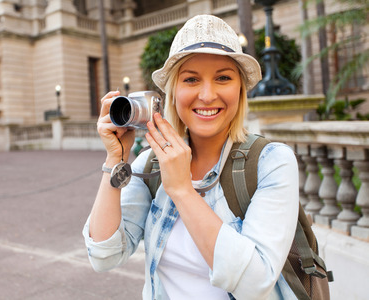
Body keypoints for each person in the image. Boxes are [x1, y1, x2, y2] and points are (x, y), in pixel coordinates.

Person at [83, 15, 299, 299]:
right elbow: (103, 255)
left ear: (240, 90)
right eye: (191, 79)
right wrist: (115, 159)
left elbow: (255, 282)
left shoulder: (271, 162)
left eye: (223, 78)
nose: (207, 95)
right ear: (173, 93)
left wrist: (183, 190)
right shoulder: (150, 164)